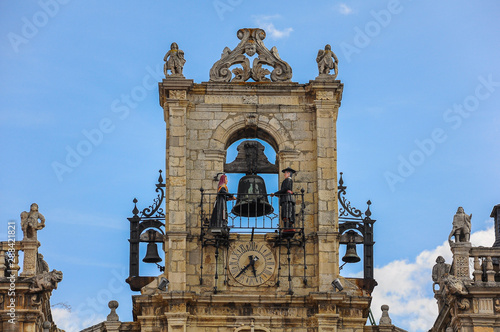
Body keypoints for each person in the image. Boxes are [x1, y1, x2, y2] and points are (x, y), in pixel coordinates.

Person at [272, 167, 296, 232]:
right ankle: (287, 227)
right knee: (286, 213)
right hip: (286, 198)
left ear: (288, 173)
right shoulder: (287, 180)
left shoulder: (288, 180)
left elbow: (285, 189)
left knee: (287, 213)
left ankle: (288, 227)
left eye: (285, 173)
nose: (284, 174)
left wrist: (275, 193)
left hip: (287, 199)